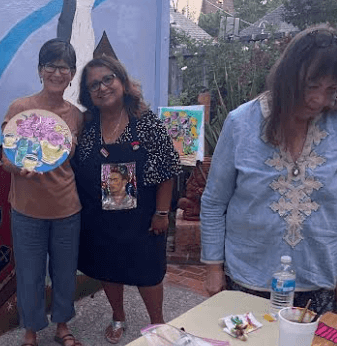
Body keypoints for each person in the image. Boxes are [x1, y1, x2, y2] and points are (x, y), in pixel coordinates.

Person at [201, 24, 337, 315]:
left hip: (319, 282)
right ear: (289, 78)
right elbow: (214, 202)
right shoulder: (241, 124)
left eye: (331, 90)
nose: (319, 100)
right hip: (249, 278)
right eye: (312, 86)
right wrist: (213, 267)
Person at [73, 55, 181, 344]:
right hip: (100, 218)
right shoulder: (87, 127)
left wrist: (161, 214)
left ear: (122, 81)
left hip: (142, 216)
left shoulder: (146, 122)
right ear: (87, 93)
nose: (102, 87)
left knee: (148, 271)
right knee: (107, 267)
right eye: (93, 84)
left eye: (108, 79)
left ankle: (157, 323)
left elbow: (168, 169)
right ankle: (118, 315)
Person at [1, 38, 84, 346]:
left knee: (64, 273)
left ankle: (62, 325)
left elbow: (74, 162)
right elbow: (6, 157)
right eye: (50, 65)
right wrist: (15, 167)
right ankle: (31, 330)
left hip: (67, 208)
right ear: (39, 70)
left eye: (65, 67)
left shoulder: (76, 115)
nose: (57, 72)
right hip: (26, 209)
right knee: (30, 274)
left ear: (72, 73)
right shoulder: (19, 108)